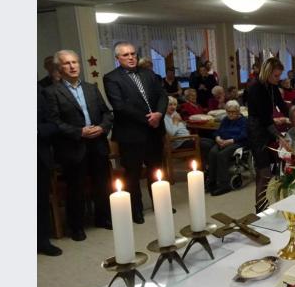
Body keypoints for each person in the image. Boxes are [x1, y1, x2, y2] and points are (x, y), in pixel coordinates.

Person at [45, 49, 113, 241]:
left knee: (102, 183)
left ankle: (103, 218)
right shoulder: (51, 92)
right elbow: (54, 121)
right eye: (67, 63)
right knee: (76, 188)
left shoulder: (91, 88)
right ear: (59, 67)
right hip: (74, 147)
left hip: (97, 143)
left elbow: (107, 113)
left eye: (75, 62)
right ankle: (76, 226)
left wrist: (101, 127)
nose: (73, 66)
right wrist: (79, 132)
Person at [104, 42, 168, 224]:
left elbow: (162, 96)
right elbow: (120, 106)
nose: (131, 57)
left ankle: (160, 203)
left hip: (154, 132)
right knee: (133, 174)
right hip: (131, 134)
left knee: (156, 170)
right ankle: (136, 210)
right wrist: (149, 119)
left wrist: (159, 114)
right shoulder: (111, 78)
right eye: (126, 55)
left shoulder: (148, 74)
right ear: (118, 58)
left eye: (133, 54)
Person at [245, 57, 289, 212]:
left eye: (279, 76)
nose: (279, 79)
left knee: (273, 170)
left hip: (266, 128)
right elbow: (264, 118)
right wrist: (279, 137)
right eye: (276, 76)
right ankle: (260, 210)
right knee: (263, 172)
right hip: (257, 131)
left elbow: (282, 106)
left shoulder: (272, 86)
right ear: (267, 73)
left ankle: (270, 204)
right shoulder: (256, 88)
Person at [201, 100, 248, 195]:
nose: (230, 114)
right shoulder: (225, 120)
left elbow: (244, 135)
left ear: (238, 111)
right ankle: (212, 181)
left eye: (233, 112)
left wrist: (229, 141)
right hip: (222, 141)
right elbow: (218, 131)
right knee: (212, 153)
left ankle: (224, 184)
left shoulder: (243, 121)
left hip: (237, 142)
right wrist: (218, 138)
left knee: (222, 155)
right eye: (228, 112)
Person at [37, 86, 62, 256]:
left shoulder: (38, 92)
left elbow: (53, 124)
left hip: (39, 156)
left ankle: (42, 241)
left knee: (40, 201)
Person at [163, 96, 210, 170]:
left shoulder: (174, 114)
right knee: (205, 145)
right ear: (164, 105)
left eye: (175, 104)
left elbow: (182, 127)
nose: (173, 107)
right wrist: (176, 122)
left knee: (210, 141)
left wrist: (181, 122)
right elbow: (171, 134)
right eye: (170, 104)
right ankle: (203, 169)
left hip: (186, 139)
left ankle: (205, 167)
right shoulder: (164, 117)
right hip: (178, 143)